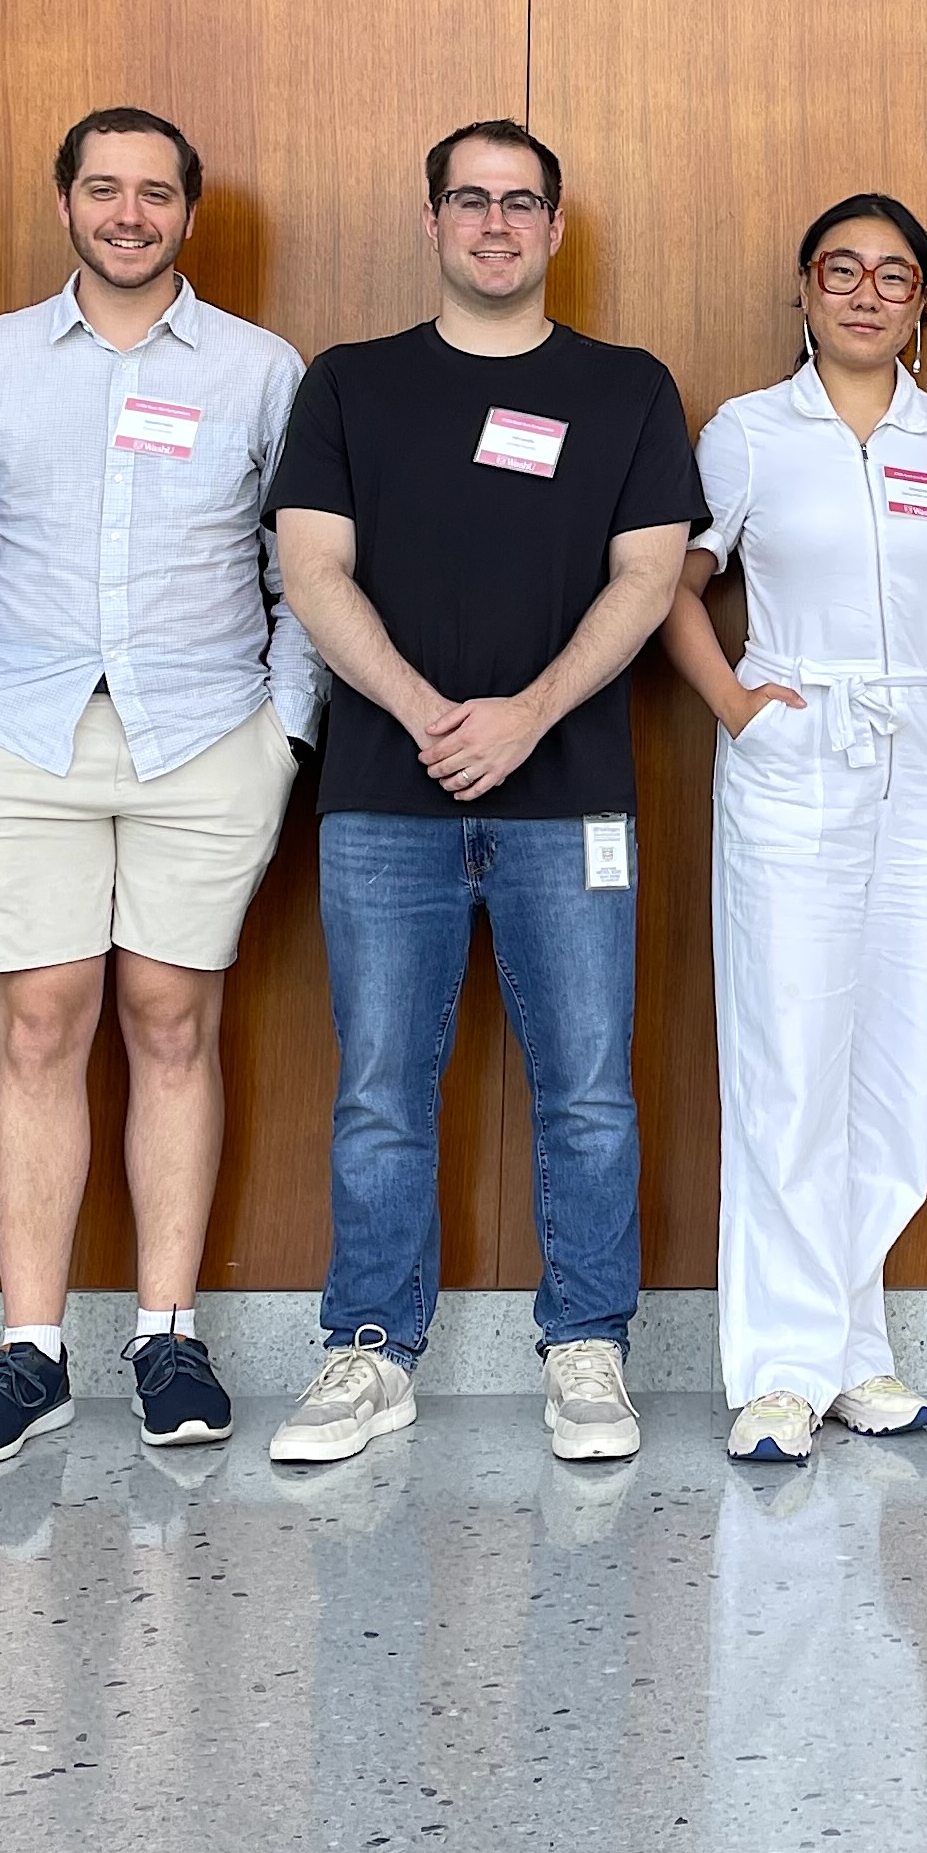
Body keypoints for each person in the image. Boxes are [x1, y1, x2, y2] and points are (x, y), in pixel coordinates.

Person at [268, 119, 702, 1466]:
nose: (497, 224)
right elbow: (312, 569)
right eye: (472, 200)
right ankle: (366, 1355)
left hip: (569, 796)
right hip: (383, 799)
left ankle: (586, 1349)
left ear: (557, 227)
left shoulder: (627, 388)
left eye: (523, 203)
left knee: (589, 1090)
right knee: (380, 1089)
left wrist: (525, 717)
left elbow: (649, 577)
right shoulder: (350, 384)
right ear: (432, 218)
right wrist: (419, 711)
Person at [0, 107, 322, 1464]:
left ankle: (167, 1336)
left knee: (170, 1017)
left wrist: (286, 730)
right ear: (65, 201)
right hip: (17, 732)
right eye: (102, 188)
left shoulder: (261, 371)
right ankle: (30, 1352)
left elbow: (298, 568)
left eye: (154, 193)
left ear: (190, 212)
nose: (127, 213)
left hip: (209, 733)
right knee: (39, 1019)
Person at [660, 196, 927, 1465]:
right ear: (803, 288)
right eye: (841, 271)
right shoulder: (750, 431)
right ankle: (776, 1368)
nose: (868, 295)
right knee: (789, 1060)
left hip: (925, 759)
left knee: (890, 1063)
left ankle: (853, 1345)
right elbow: (675, 588)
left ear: (924, 301)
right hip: (796, 756)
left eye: (895, 276)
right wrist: (741, 709)